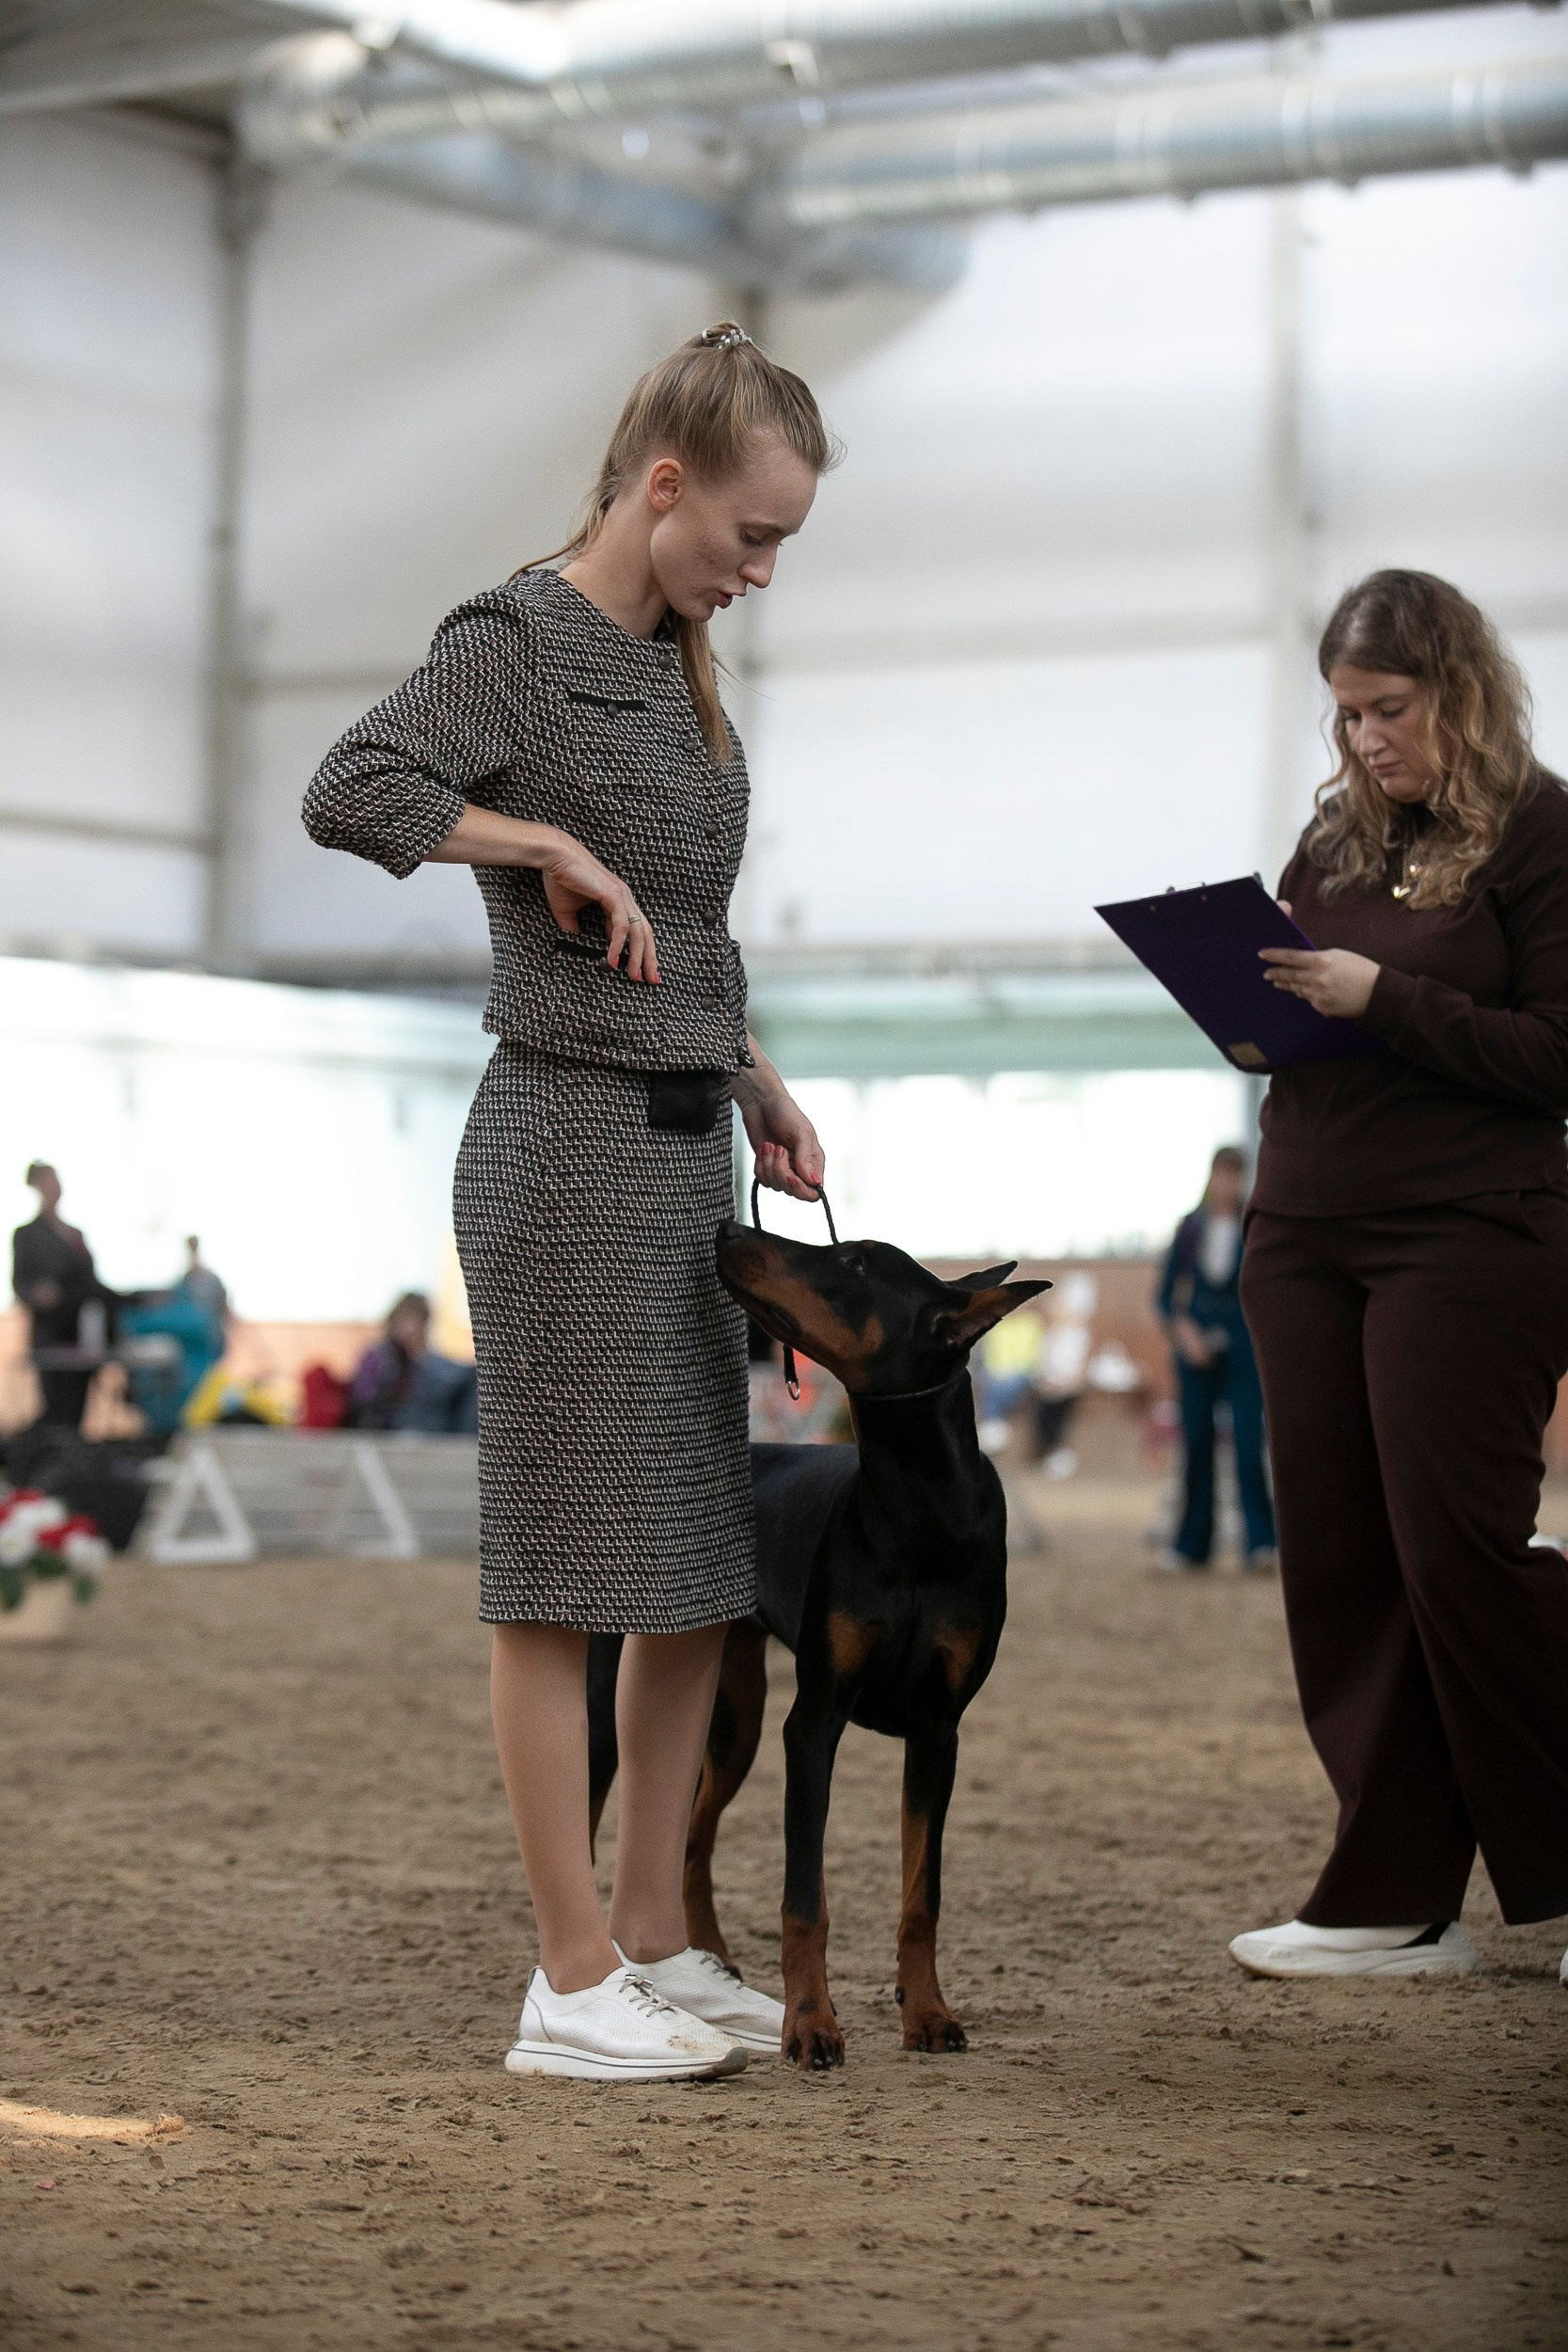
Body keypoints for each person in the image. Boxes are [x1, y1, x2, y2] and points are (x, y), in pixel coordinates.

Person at [303, 324, 834, 2079]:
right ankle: (567, 1976)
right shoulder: (514, 638)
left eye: (780, 550)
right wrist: (532, 842)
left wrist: (754, 1078)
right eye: (746, 537)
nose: (757, 574)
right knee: (559, 1577)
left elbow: (696, 916)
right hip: (558, 1150)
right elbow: (349, 787)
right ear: (661, 484)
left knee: (690, 1573)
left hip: (684, 1148)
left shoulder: (678, 663)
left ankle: (661, 1942)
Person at [1233, 568, 1568, 1989]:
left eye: (1386, 706)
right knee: (1342, 1563)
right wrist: (1257, 1023)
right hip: (1301, 1224)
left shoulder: (1544, 831)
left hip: (1471, 1228)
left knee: (1458, 1556)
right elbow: (1305, 997)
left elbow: (1552, 1056)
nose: (1364, 737)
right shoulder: (1333, 837)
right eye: (1344, 713)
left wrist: (1387, 1002)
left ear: (1457, 688)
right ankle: (1387, 1892)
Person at [1157, 1146, 1275, 1572]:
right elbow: (1167, 1296)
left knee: (1248, 1445)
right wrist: (1185, 1332)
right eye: (1224, 1176)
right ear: (1211, 1178)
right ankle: (1192, 1545)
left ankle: (1261, 1542)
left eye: (1237, 1176)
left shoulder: (1255, 1225)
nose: (1230, 1185)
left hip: (1243, 1348)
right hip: (1196, 1350)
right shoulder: (1190, 1229)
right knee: (1197, 1446)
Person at [9, 1163, 114, 1429]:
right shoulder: (27, 1235)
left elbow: (93, 1283)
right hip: (51, 1333)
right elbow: (19, 1283)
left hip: (83, 1331)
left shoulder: (74, 1234)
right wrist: (37, 1293)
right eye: (46, 1180)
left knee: (77, 1404)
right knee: (56, 1407)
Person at [348, 1291, 478, 1434]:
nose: (415, 1328)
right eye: (411, 1321)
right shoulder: (382, 1357)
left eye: (420, 1323)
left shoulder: (414, 1356)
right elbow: (369, 1401)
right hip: (393, 1427)